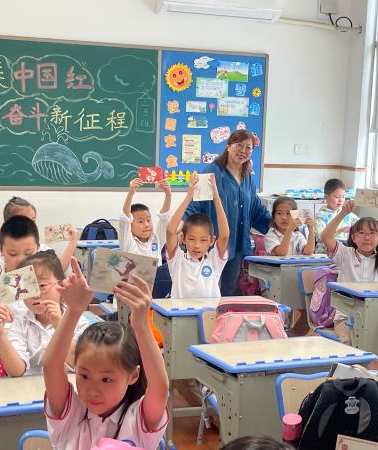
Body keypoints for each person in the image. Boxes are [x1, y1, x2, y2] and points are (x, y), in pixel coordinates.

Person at [43, 258, 169, 449]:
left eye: (106, 379)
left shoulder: (136, 420)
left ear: (133, 375)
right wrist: (73, 310)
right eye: (84, 376)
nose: (93, 390)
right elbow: (51, 367)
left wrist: (142, 326)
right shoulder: (71, 414)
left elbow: (160, 388)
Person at [320, 200, 378, 412]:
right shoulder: (345, 254)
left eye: (372, 233)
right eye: (361, 233)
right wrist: (343, 213)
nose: (367, 237)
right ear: (353, 237)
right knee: (349, 344)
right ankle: (353, 391)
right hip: (347, 317)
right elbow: (326, 236)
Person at [184, 130, 271, 296]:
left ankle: (224, 314)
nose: (243, 151)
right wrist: (181, 226)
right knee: (208, 289)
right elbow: (195, 203)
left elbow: (255, 206)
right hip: (212, 244)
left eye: (248, 148)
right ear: (229, 146)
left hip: (236, 244)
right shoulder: (211, 171)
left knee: (228, 291)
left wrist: (275, 224)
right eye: (239, 145)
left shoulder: (247, 176)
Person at [0, 250, 90, 377]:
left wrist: (60, 326)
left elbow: (80, 364)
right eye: (28, 288)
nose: (36, 294)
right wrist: (0, 334)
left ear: (61, 285)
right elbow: (16, 371)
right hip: (28, 387)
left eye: (42, 286)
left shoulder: (78, 321)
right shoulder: (20, 323)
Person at [0, 196, 78, 276]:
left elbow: (58, 270)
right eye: (13, 254)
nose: (30, 225)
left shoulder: (41, 248)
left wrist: (73, 242)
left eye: (33, 220)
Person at [166, 173, 229, 298]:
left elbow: (224, 235)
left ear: (212, 241)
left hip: (209, 311)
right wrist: (188, 197)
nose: (197, 245)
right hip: (180, 310)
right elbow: (170, 231)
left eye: (203, 240)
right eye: (191, 239)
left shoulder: (213, 260)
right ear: (183, 238)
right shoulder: (177, 260)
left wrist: (216, 198)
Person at [314, 178, 358, 253]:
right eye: (337, 197)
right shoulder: (321, 216)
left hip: (345, 249)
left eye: (343, 197)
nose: (341, 200)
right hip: (326, 250)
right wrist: (339, 231)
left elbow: (360, 223)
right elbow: (320, 237)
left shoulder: (346, 212)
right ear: (326, 197)